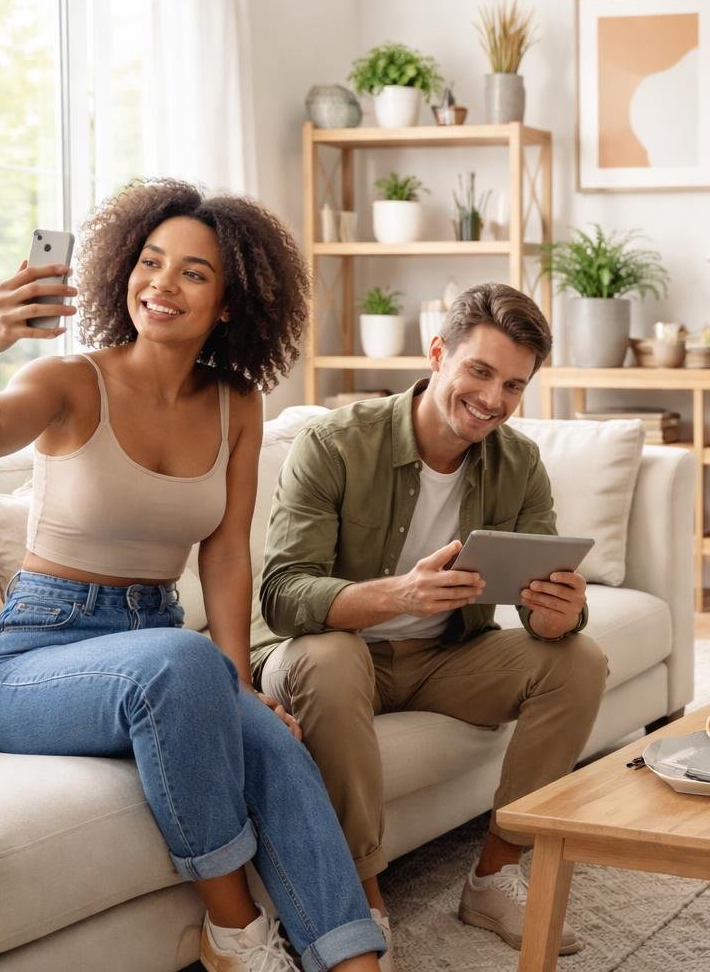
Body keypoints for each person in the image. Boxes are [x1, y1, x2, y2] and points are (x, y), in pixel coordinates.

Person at [0, 180, 386, 972]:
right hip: (29, 661)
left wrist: (242, 683)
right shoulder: (71, 381)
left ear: (228, 302)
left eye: (192, 272)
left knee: (275, 743)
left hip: (153, 651)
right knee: (184, 661)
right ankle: (237, 935)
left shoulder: (236, 404)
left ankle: (355, 962)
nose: (161, 283)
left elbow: (224, 550)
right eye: (150, 262)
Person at [255, 282, 607, 958]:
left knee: (580, 661)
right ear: (438, 353)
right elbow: (283, 593)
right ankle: (362, 901)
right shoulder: (333, 443)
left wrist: (561, 614)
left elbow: (547, 606)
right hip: (332, 653)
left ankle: (496, 876)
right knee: (328, 659)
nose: (493, 400)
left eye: (513, 385)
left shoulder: (519, 462)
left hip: (445, 657)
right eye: (479, 371)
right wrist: (399, 597)